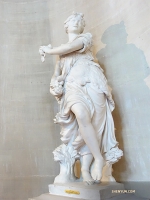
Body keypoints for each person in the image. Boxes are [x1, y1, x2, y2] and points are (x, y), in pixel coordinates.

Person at [39, 12, 122, 185]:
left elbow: (67, 48)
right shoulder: (61, 58)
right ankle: (98, 159)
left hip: (93, 82)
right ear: (66, 26)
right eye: (72, 20)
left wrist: (48, 50)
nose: (76, 22)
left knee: (95, 125)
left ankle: (86, 168)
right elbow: (56, 76)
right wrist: (56, 82)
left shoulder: (85, 38)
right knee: (82, 116)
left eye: (79, 20)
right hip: (73, 88)